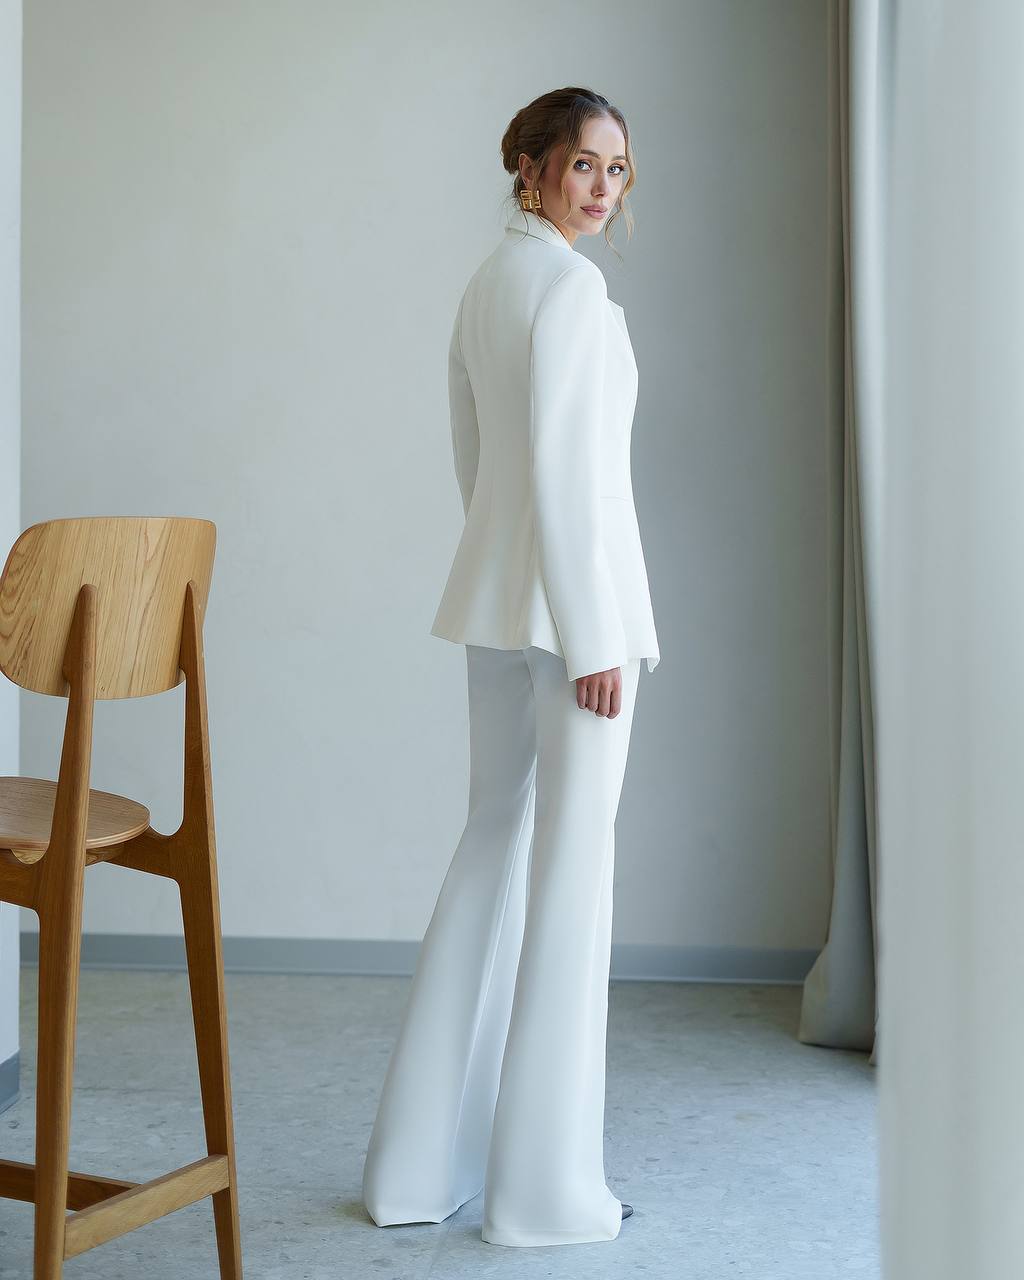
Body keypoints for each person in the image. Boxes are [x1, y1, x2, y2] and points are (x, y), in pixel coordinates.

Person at [361, 85, 660, 1248]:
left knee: (490, 846)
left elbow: (476, 457)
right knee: (571, 880)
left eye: (617, 171)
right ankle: (546, 1192)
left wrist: (511, 578)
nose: (600, 188)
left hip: (497, 603)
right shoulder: (570, 291)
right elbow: (573, 479)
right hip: (573, 626)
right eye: (582, 164)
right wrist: (590, 637)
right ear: (529, 166)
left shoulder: (491, 283)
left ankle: (418, 1171)